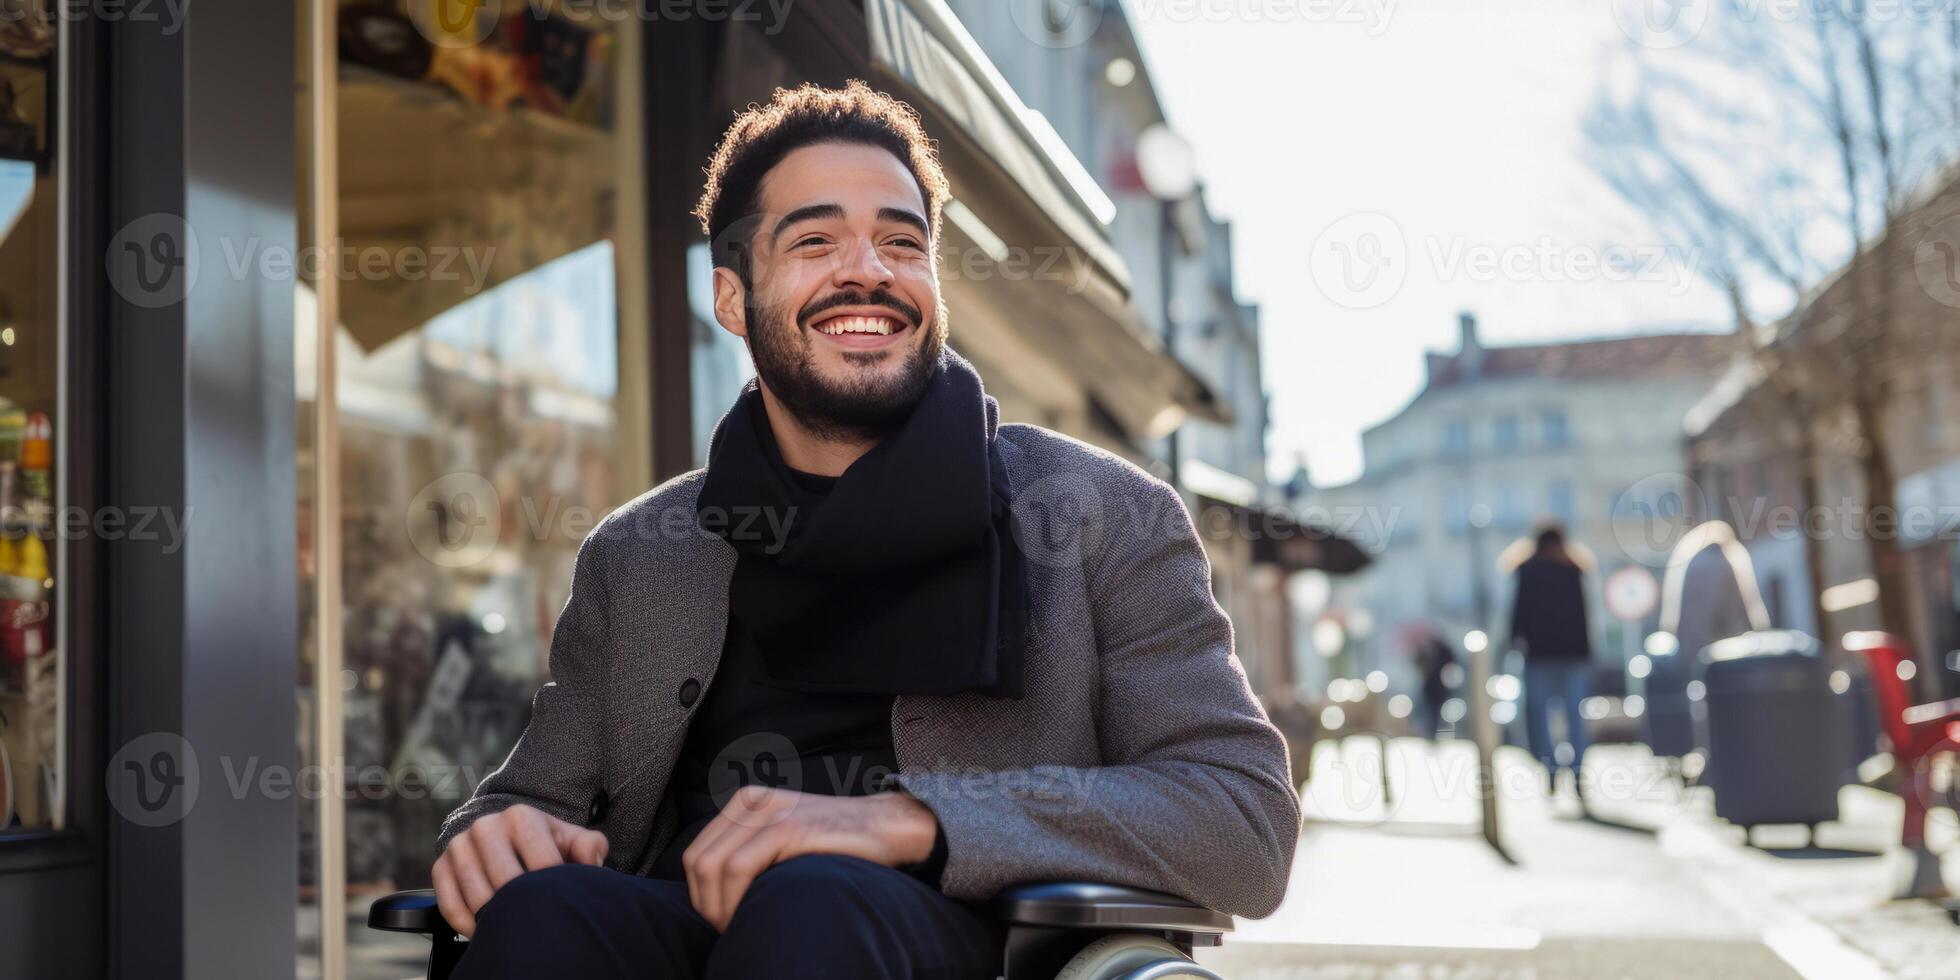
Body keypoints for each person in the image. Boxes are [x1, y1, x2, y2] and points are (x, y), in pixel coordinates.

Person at [432, 81, 1300, 979]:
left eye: (901, 243)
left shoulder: (1101, 515)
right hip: (685, 928)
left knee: (813, 897)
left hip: (959, 941)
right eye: (814, 241)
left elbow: (1243, 820)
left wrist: (916, 819)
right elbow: (532, 800)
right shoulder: (638, 553)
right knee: (542, 914)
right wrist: (496, 836)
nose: (870, 271)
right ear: (732, 299)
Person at [1507, 524, 1594, 797]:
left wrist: (1514, 643)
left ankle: (1551, 767)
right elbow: (1584, 616)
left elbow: (1519, 612)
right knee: (1574, 716)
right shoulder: (1573, 569)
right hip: (1572, 654)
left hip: (1540, 655)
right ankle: (1578, 770)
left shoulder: (1528, 571)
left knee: (1541, 716)